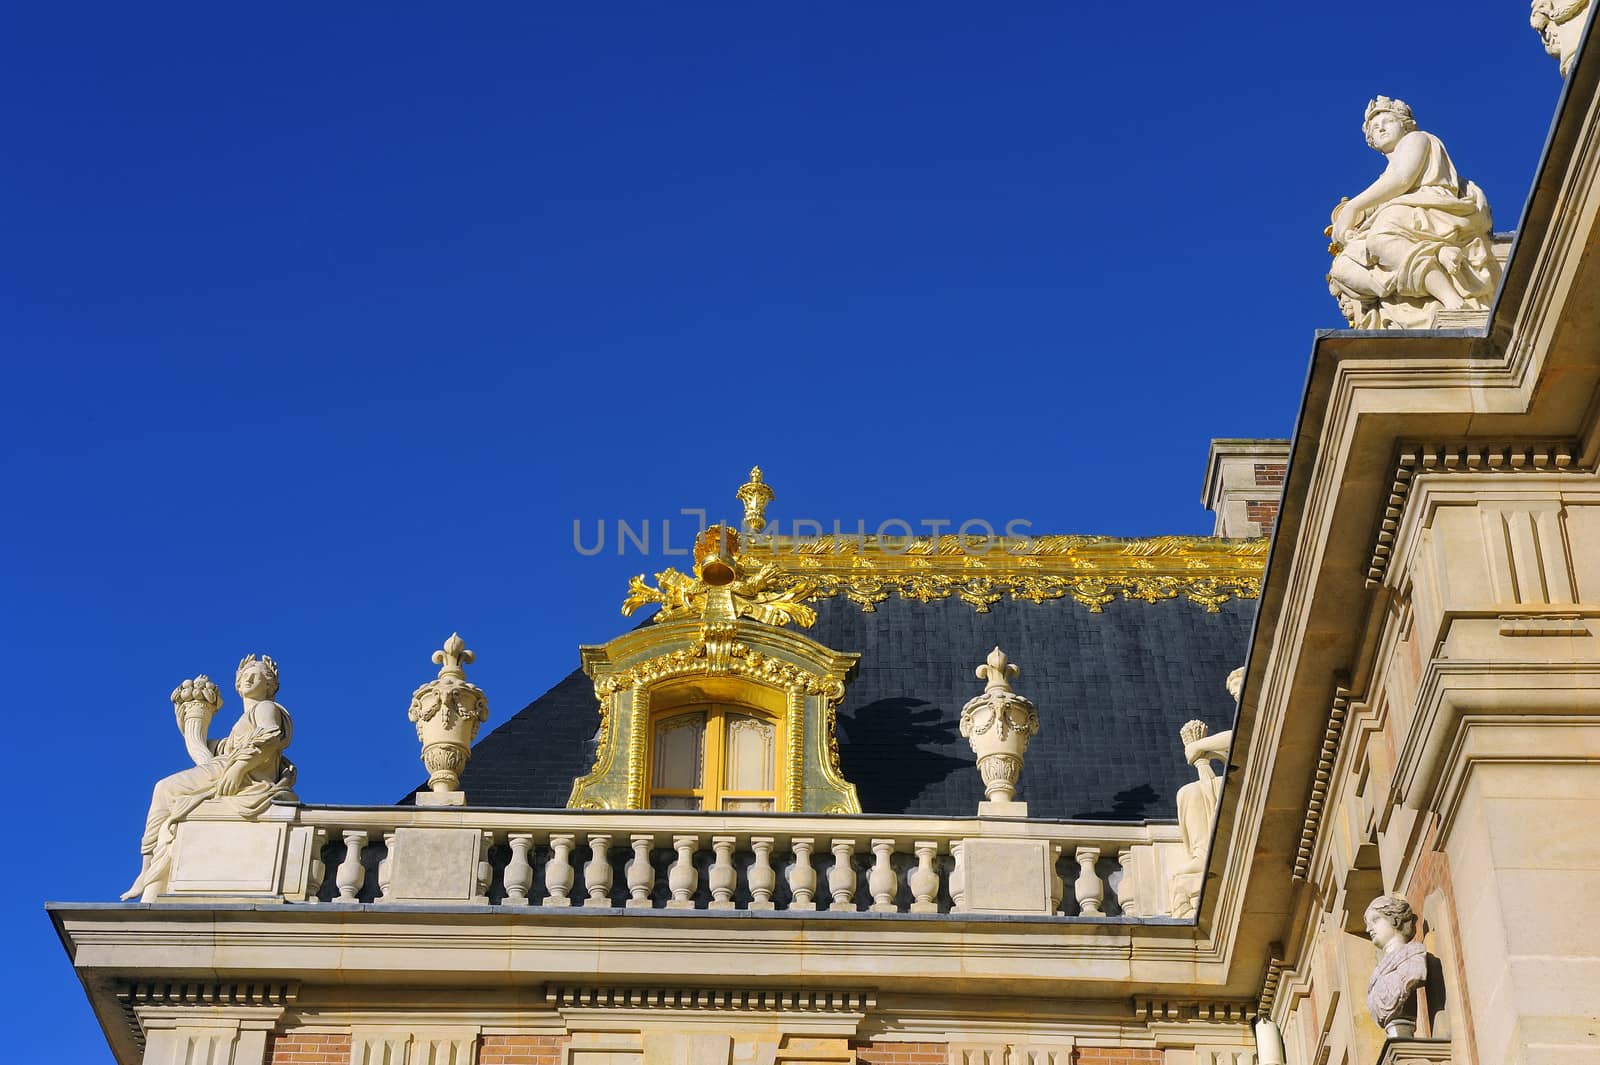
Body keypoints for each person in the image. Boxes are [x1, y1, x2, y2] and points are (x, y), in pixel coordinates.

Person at [122, 654, 297, 901]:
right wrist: (191, 717)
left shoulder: (265, 708)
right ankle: (147, 868)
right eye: (245, 674)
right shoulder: (241, 724)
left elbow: (270, 735)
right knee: (166, 793)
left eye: (256, 674)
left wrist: (239, 769)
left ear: (269, 685)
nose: (248, 678)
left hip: (241, 773)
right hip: (228, 766)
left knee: (164, 789)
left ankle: (146, 868)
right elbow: (205, 750)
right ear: (237, 683)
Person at [1328, 97, 1500, 329]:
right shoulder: (1384, 182)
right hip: (1407, 213)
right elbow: (1385, 191)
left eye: (1388, 121)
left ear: (1405, 124)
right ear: (1371, 140)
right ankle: (1401, 281)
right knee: (1343, 267)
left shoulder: (1417, 139)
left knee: (1382, 235)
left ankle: (1450, 297)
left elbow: (1402, 178)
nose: (1381, 127)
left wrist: (1354, 207)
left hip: (1433, 206)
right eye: (1374, 128)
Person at [1364, 894, 1429, 1037]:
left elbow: (1414, 975)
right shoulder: (1377, 973)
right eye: (1368, 924)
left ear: (1394, 919)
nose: (1369, 929)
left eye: (1375, 920)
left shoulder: (1413, 955)